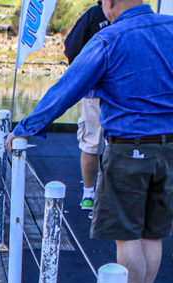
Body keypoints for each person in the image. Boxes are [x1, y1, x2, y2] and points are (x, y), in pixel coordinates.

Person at [8, 0, 173, 283]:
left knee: (127, 234)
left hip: (130, 150)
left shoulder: (109, 39)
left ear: (110, 4)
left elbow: (66, 90)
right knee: (152, 233)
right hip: (169, 150)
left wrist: (24, 129)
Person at [63, 1, 111, 210]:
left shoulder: (96, 14)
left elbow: (71, 49)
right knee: (96, 143)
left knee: (100, 144)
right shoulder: (94, 15)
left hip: (113, 95)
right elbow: (72, 49)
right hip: (100, 93)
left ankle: (94, 194)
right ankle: (91, 194)